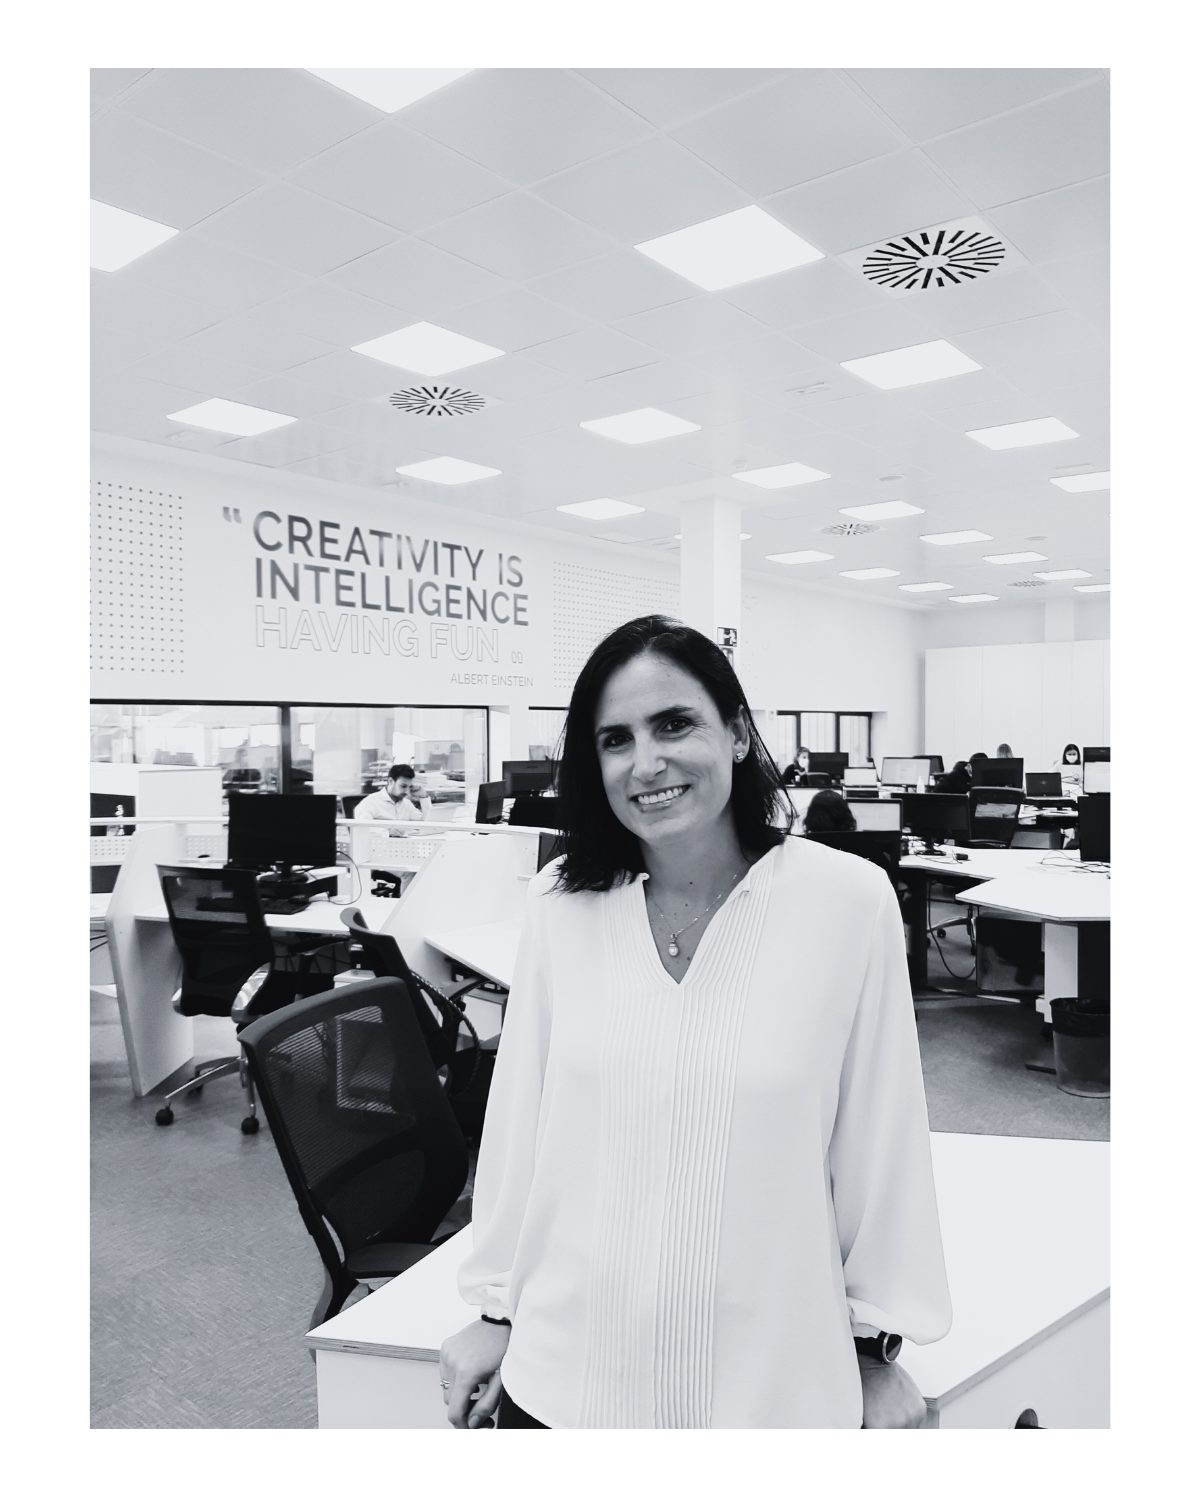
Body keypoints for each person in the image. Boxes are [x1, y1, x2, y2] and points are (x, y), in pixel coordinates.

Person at [439, 615, 951, 1429]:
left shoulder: (846, 902)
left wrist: (873, 1346)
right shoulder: (560, 903)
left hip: (769, 1390)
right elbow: (521, 1126)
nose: (646, 762)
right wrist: (496, 1309)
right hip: (568, 1379)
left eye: (674, 723)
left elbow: (880, 1144)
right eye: (616, 739)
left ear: (738, 733)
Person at [352, 763, 428, 823]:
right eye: (403, 786)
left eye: (410, 787)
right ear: (391, 781)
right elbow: (363, 829)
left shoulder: (406, 804)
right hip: (380, 839)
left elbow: (426, 824)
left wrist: (424, 797)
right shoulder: (370, 803)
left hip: (403, 839)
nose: (407, 791)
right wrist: (390, 832)